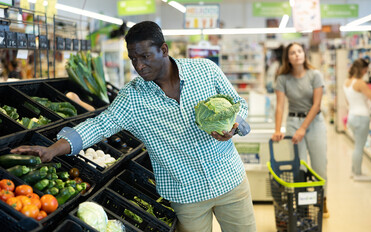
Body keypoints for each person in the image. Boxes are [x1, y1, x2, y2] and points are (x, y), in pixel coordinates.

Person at [11, 21, 256, 232]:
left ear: (163, 49)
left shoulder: (205, 70)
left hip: (230, 182)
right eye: (133, 59)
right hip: (186, 195)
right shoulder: (133, 97)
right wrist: (53, 149)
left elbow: (237, 103)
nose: (138, 66)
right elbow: (99, 125)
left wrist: (234, 125)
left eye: (145, 57)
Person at [271, 42, 329, 217]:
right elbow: (280, 106)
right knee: (299, 166)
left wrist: (303, 128)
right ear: (287, 57)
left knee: (319, 164)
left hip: (315, 123)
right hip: (293, 123)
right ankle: (303, 203)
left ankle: (322, 199)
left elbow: (317, 104)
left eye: (299, 51)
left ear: (304, 54)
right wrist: (277, 129)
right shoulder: (282, 79)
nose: (296, 54)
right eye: (292, 52)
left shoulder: (315, 75)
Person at [343, 58, 371, 182]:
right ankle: (358, 174)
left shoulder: (347, 82)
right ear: (362, 69)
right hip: (361, 117)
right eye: (366, 70)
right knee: (359, 147)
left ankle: (354, 171)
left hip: (352, 116)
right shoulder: (360, 83)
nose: (366, 72)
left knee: (357, 146)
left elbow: (348, 101)